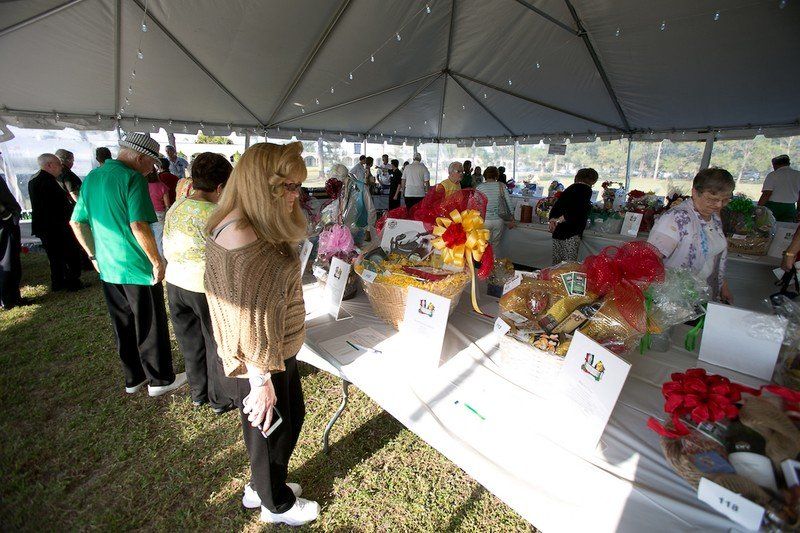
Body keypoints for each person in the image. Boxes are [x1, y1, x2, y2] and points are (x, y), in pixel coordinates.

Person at [205, 142, 319, 526]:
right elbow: (253, 317)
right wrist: (260, 380)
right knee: (271, 431)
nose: (295, 196)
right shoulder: (244, 236)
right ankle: (275, 503)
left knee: (285, 422)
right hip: (260, 359)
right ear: (260, 184)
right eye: (287, 186)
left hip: (265, 354)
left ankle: (262, 485)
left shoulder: (240, 221)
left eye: (297, 186)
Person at [70, 133, 186, 396]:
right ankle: (160, 379)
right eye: (152, 164)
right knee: (150, 321)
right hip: (135, 265)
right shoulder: (131, 178)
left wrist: (93, 256)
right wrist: (156, 261)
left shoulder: (92, 177)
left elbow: (77, 222)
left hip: (108, 266)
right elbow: (138, 224)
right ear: (139, 157)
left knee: (122, 323)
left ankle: (133, 378)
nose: (152, 169)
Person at [163, 152, 233, 414]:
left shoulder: (177, 205)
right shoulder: (216, 214)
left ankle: (198, 392)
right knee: (216, 343)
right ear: (219, 187)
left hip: (175, 283)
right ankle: (220, 398)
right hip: (203, 287)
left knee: (190, 342)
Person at [648, 167, 734, 303]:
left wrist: (723, 285)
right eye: (712, 199)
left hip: (700, 293)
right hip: (673, 299)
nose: (718, 205)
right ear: (694, 192)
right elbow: (650, 258)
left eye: (725, 200)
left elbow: (712, 256)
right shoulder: (676, 218)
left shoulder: (714, 218)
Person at [28, 153, 83, 291]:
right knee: (66, 253)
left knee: (54, 256)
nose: (61, 168)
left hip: (45, 226)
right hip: (55, 226)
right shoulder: (47, 181)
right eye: (58, 165)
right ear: (49, 165)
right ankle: (70, 281)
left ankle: (58, 282)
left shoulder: (34, 180)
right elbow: (57, 206)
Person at [548, 168, 598, 264]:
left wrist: (554, 220)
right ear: (592, 180)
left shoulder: (570, 188)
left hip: (558, 231)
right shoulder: (586, 189)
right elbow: (578, 208)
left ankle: (554, 278)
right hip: (571, 231)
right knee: (568, 264)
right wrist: (565, 218)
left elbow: (556, 207)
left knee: (557, 263)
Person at [476, 166, 515, 247]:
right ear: (496, 175)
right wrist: (512, 217)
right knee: (495, 245)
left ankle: (486, 259)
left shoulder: (480, 187)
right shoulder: (501, 186)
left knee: (484, 245)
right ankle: (494, 259)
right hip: (499, 220)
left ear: (485, 175)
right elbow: (509, 203)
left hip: (484, 220)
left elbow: (475, 205)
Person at [0, 171, 22, 309]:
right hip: (4, 224)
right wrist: (6, 214)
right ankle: (9, 298)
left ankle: (9, 297)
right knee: (8, 259)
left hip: (5, 222)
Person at [758, 155, 800, 222]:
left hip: (773, 207)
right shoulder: (798, 175)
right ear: (788, 164)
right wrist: (798, 211)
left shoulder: (773, 175)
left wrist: (758, 207)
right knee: (785, 228)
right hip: (790, 207)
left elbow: (767, 194)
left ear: (775, 165)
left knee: (768, 227)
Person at [147, 170, 172, 257]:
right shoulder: (162, 186)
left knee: (148, 238)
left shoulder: (142, 186)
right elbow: (167, 204)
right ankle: (161, 260)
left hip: (146, 213)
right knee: (159, 239)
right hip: (159, 214)